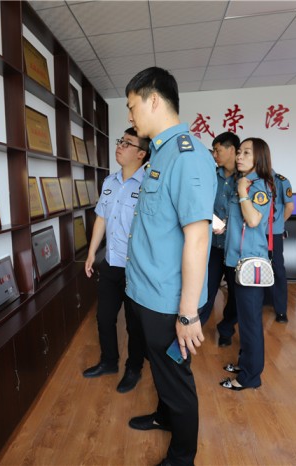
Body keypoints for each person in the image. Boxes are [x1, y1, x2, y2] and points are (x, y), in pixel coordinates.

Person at [124, 67, 216, 466]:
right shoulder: (160, 152)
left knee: (176, 381)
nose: (130, 116)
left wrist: (188, 313)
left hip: (168, 300)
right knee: (162, 373)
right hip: (146, 291)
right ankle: (164, 416)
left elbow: (197, 238)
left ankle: (182, 457)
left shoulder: (187, 156)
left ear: (153, 100)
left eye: (132, 107)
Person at [83, 127, 150, 393]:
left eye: (127, 143)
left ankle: (134, 368)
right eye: (120, 141)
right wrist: (92, 253)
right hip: (110, 263)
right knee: (104, 317)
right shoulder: (109, 182)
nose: (120, 146)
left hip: (135, 268)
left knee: (135, 324)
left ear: (141, 154)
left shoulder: (149, 185)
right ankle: (109, 361)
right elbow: (101, 218)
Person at [220, 138, 274, 391]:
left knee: (250, 323)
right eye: (239, 152)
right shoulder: (243, 182)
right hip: (236, 261)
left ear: (259, 158)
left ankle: (250, 377)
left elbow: (253, 220)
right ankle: (245, 363)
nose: (239, 156)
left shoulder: (258, 186)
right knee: (244, 319)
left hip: (250, 264)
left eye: (246, 153)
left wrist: (243, 191)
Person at [198, 132, 239, 337]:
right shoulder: (212, 176)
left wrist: (228, 225)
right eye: (213, 150)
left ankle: (226, 328)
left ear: (231, 150)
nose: (214, 155)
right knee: (206, 289)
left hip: (235, 247)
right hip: (213, 245)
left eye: (218, 150)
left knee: (236, 295)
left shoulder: (246, 179)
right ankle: (193, 331)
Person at [267, 170, 294, 322]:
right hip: (254, 231)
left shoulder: (281, 181)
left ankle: (281, 310)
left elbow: (290, 207)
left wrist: (278, 224)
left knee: (277, 268)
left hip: (273, 233)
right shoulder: (249, 179)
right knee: (255, 266)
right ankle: (261, 301)